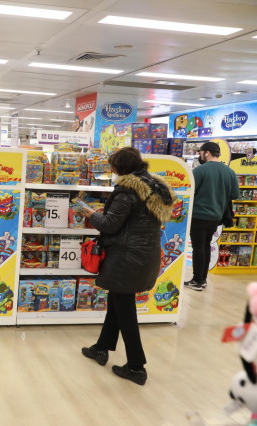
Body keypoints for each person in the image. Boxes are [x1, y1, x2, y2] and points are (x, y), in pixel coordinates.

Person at [80, 147, 175, 386]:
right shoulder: (154, 186)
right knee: (117, 302)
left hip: (125, 259)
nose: (110, 170)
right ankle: (101, 348)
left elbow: (110, 225)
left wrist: (90, 214)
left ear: (120, 168)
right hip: (144, 256)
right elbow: (133, 222)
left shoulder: (127, 191)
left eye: (112, 166)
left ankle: (136, 367)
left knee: (126, 313)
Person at [184, 141, 239, 291]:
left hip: (198, 215)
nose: (199, 156)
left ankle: (197, 281)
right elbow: (235, 194)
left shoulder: (200, 171)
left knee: (198, 247)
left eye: (200, 153)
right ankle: (203, 279)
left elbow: (189, 190)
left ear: (207, 153)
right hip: (216, 217)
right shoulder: (229, 172)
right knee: (206, 245)